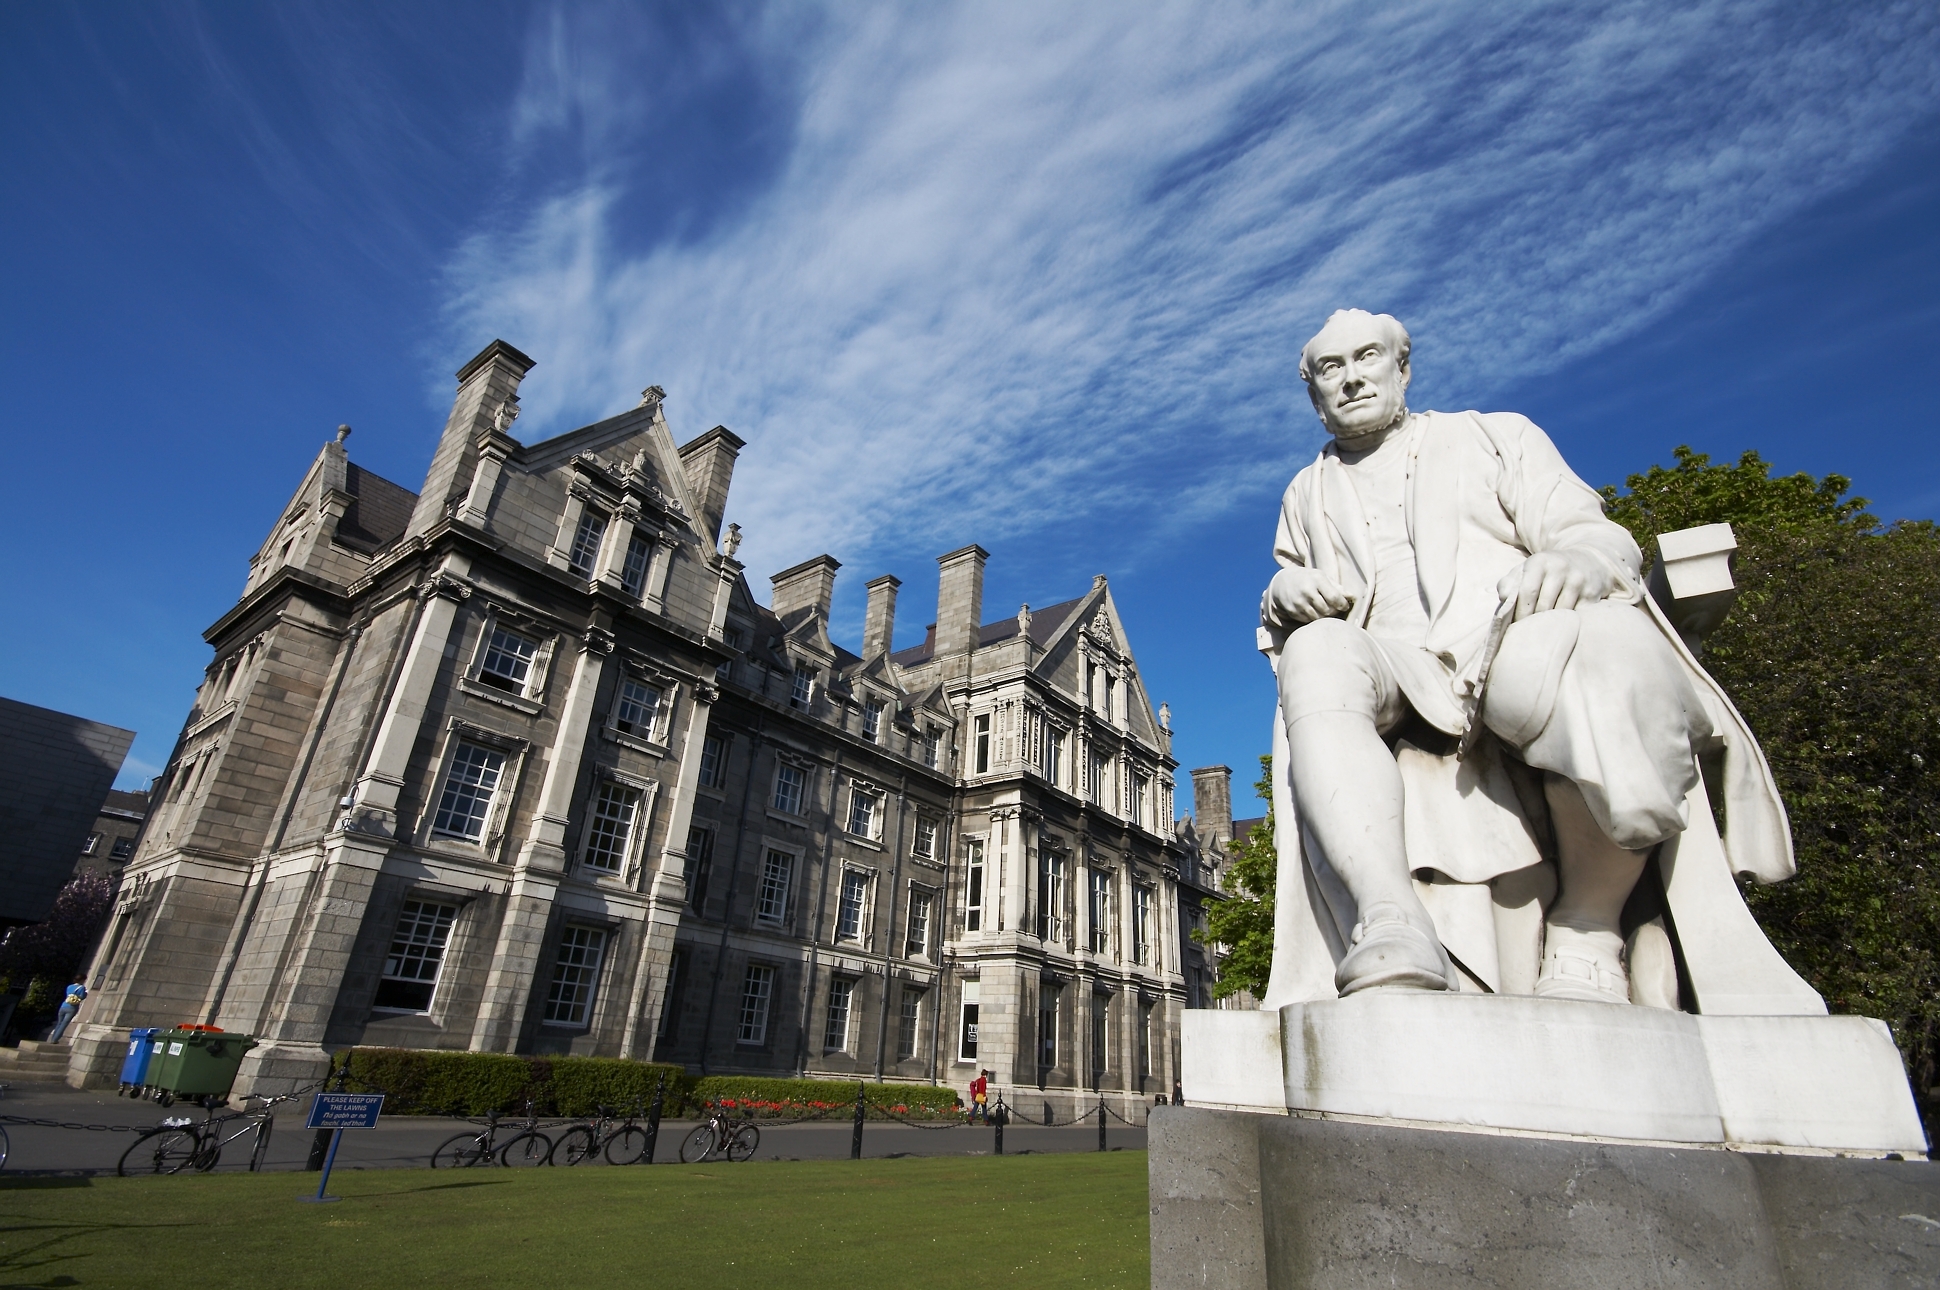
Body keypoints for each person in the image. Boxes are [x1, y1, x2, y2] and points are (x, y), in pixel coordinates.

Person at [1259, 309, 1793, 1006]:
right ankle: (1390, 919)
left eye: (1367, 357)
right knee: (1316, 653)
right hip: (1394, 665)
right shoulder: (1306, 490)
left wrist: (1577, 559)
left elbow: (1597, 537)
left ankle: (1588, 925)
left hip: (1506, 633)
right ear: (1314, 394)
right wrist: (1283, 592)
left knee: (1590, 654)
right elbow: (1291, 600)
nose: (1352, 378)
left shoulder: (1495, 435)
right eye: (1332, 368)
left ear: (1402, 368)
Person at [49, 975, 87, 1042]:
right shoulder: (81, 988)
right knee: (64, 1024)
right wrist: (86, 993)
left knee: (59, 1023)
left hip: (63, 1006)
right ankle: (55, 1040)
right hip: (72, 1007)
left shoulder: (69, 986)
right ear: (82, 980)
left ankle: (53, 1038)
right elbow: (81, 997)